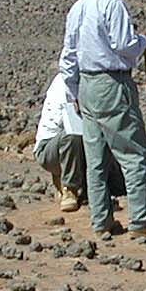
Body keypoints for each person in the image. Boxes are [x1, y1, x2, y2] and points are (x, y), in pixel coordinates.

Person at [58, 0, 146, 238]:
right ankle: (142, 221)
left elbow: (68, 56)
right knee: (133, 152)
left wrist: (74, 91)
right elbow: (124, 45)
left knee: (96, 158)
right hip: (112, 84)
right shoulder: (112, 4)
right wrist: (143, 41)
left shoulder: (78, 7)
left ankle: (101, 220)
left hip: (87, 85)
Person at [32, 72, 86, 212]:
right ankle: (69, 188)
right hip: (50, 150)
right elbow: (71, 121)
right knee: (73, 134)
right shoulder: (66, 84)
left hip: (79, 148)